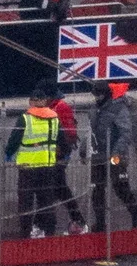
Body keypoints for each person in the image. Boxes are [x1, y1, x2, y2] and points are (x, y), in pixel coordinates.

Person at [5, 85, 62, 239]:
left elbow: (14, 140)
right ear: (45, 101)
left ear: (30, 101)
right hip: (48, 166)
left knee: (26, 202)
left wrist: (8, 153)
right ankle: (49, 232)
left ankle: (25, 233)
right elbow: (60, 140)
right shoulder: (54, 118)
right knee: (47, 201)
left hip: (27, 167)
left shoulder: (25, 118)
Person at [88, 81, 137, 230]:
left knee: (121, 187)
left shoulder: (119, 108)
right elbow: (91, 131)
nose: (97, 98)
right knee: (97, 189)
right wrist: (84, 148)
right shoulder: (94, 110)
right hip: (98, 155)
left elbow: (126, 133)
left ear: (106, 94)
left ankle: (136, 216)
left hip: (115, 155)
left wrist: (116, 153)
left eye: (100, 95)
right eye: (95, 95)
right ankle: (100, 223)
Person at [43, 79, 88, 235]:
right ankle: (77, 220)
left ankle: (45, 224)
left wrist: (60, 150)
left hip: (60, 154)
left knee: (52, 189)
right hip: (53, 154)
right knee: (60, 189)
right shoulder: (53, 106)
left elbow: (66, 133)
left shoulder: (60, 108)